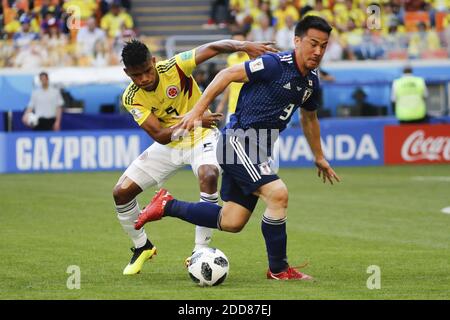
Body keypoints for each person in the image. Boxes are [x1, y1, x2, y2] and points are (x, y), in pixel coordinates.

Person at [135, 16, 340, 281]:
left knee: (232, 221)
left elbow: (309, 118)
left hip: (260, 149)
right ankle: (279, 270)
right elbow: (227, 74)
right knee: (278, 194)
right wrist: (197, 111)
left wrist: (319, 156)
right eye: (313, 43)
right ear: (297, 41)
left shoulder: (311, 81)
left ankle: (167, 205)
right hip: (238, 141)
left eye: (323, 46)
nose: (318, 51)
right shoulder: (274, 64)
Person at [114, 38, 276, 275]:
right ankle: (142, 246)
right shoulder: (131, 97)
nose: (144, 79)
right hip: (170, 143)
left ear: (154, 62)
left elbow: (213, 47)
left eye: (147, 71)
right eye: (136, 76)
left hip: (203, 137)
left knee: (208, 173)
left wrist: (244, 46)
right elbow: (160, 135)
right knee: (121, 192)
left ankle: (200, 251)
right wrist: (196, 119)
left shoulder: (175, 67)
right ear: (127, 73)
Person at [215, 32, 250, 124]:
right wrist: (221, 104)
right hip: (232, 108)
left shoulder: (252, 59)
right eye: (235, 42)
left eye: (240, 42)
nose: (238, 45)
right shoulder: (231, 59)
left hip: (249, 108)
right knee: (229, 137)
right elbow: (228, 84)